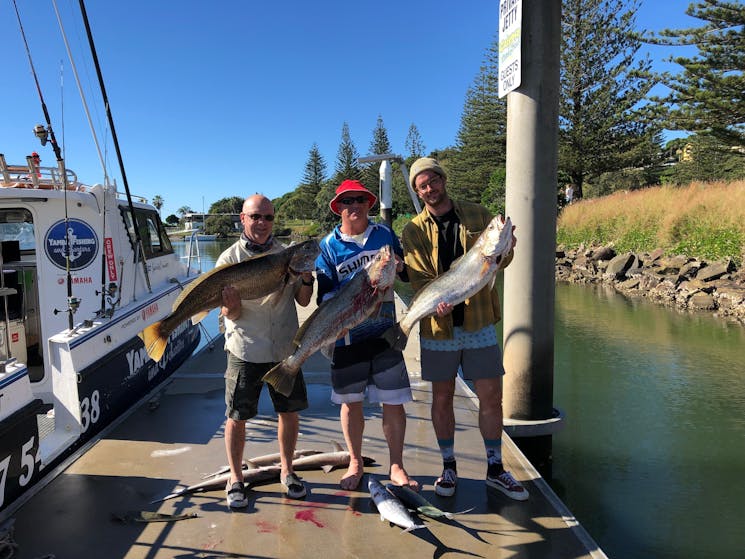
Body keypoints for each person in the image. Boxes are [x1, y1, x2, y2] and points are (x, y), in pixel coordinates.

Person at [401, 157, 528, 501]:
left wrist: (507, 247)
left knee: (491, 396)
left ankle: (495, 468)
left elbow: (500, 261)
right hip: (438, 327)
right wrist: (436, 305)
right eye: (422, 186)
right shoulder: (412, 229)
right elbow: (418, 279)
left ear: (443, 180)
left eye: (434, 181)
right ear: (417, 191)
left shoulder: (477, 214)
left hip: (479, 321)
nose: (430, 189)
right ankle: (448, 466)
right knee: (442, 398)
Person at [315, 179, 418, 491]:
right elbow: (324, 295)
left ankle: (397, 465)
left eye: (360, 200)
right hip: (346, 337)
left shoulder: (384, 235)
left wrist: (398, 266)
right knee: (350, 403)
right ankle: (355, 460)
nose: (354, 206)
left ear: (368, 204)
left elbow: (406, 273)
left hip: (385, 333)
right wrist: (338, 316)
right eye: (348, 202)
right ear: (339, 209)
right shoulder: (328, 246)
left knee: (394, 402)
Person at [216, 194, 315, 508]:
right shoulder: (229, 260)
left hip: (285, 348)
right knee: (237, 416)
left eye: (268, 217)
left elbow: (302, 301)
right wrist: (230, 308)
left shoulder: (287, 256)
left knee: (289, 412)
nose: (262, 223)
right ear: (243, 219)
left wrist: (307, 277)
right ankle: (235, 477)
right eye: (255, 217)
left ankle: (288, 470)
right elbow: (227, 314)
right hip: (245, 348)